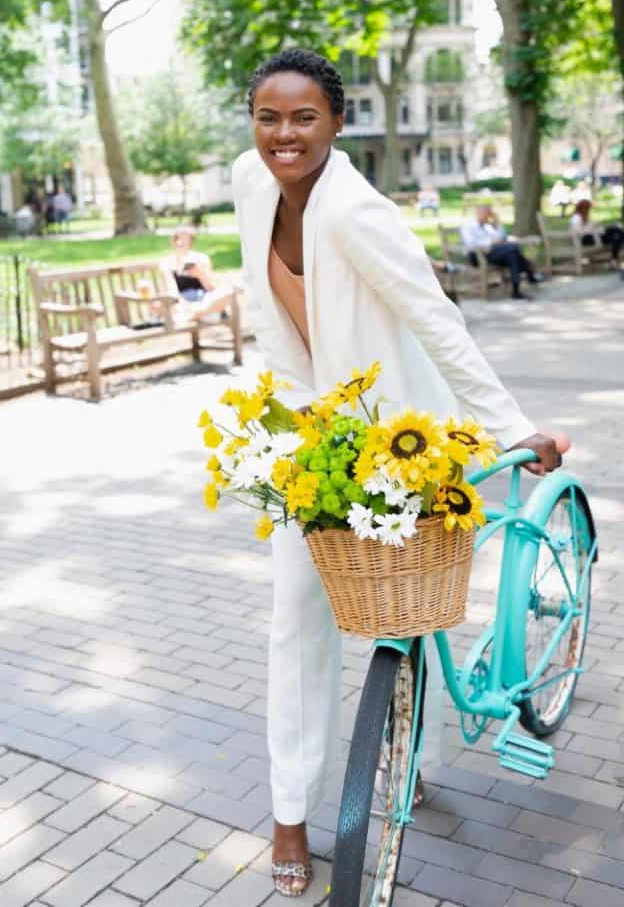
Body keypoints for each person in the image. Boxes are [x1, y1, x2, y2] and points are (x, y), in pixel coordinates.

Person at [232, 48, 569, 897]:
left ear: (338, 122)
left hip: (397, 434)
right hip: (312, 442)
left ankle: (410, 757)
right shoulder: (249, 181)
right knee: (293, 621)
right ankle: (290, 814)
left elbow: (436, 319)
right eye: (269, 116)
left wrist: (513, 429)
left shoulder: (357, 213)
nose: (284, 134)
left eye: (303, 117)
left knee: (408, 617)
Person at [460, 204, 542, 300]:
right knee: (512, 248)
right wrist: (489, 243)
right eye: (486, 214)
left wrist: (497, 221)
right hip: (477, 256)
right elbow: (470, 244)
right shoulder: (468, 226)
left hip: (493, 253)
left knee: (512, 254)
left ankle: (516, 291)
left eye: (489, 215)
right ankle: (530, 274)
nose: (488, 217)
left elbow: (501, 237)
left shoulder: (487, 226)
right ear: (478, 213)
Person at [158, 226, 234, 320]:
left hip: (205, 300)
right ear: (173, 242)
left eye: (184, 239)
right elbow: (171, 289)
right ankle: (198, 314)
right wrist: (180, 302)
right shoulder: (167, 263)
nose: (180, 242)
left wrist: (200, 274)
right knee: (160, 305)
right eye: (177, 238)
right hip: (183, 302)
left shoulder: (201, 258)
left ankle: (195, 315)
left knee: (228, 291)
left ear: (191, 241)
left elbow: (211, 288)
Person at [569, 198, 624, 263]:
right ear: (583, 208)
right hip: (586, 239)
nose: (589, 210)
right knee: (614, 230)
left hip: (593, 237)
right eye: (588, 208)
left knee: (616, 237)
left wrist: (594, 225)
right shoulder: (576, 218)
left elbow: (590, 228)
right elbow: (579, 232)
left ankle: (614, 260)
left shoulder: (584, 217)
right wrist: (592, 227)